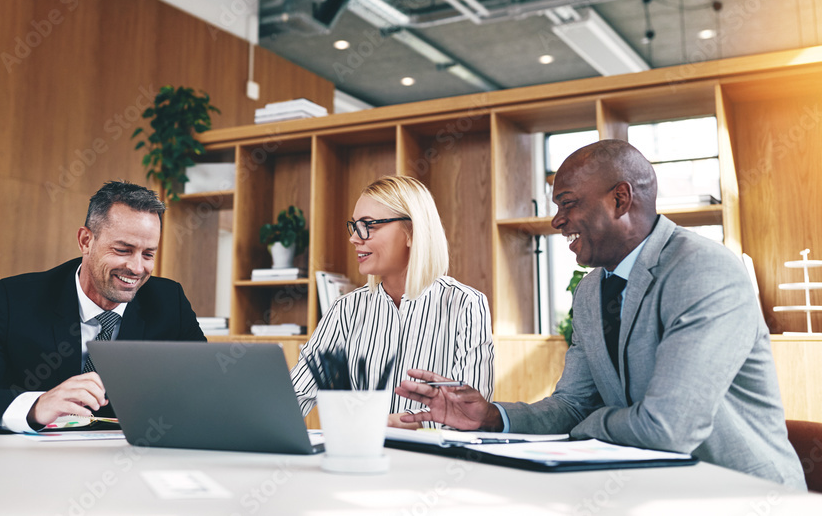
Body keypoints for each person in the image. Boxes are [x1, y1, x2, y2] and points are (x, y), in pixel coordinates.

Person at [396, 140, 805, 488]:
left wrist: (590, 425)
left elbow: (666, 429)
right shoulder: (591, 290)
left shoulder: (703, 270)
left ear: (620, 200)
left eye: (568, 203)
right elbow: (573, 404)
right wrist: (490, 416)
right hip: (648, 489)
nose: (557, 221)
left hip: (738, 493)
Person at [0, 181, 205, 433]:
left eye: (148, 254)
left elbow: (208, 390)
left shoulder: (170, 302)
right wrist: (36, 406)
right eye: (123, 250)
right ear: (86, 240)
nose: (136, 267)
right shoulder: (16, 299)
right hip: (34, 471)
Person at [290, 175, 493, 428]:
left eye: (368, 225)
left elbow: (471, 415)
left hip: (433, 463)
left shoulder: (466, 304)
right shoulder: (346, 309)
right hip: (359, 457)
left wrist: (400, 424)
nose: (354, 238)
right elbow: (295, 395)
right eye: (353, 226)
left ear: (412, 232)